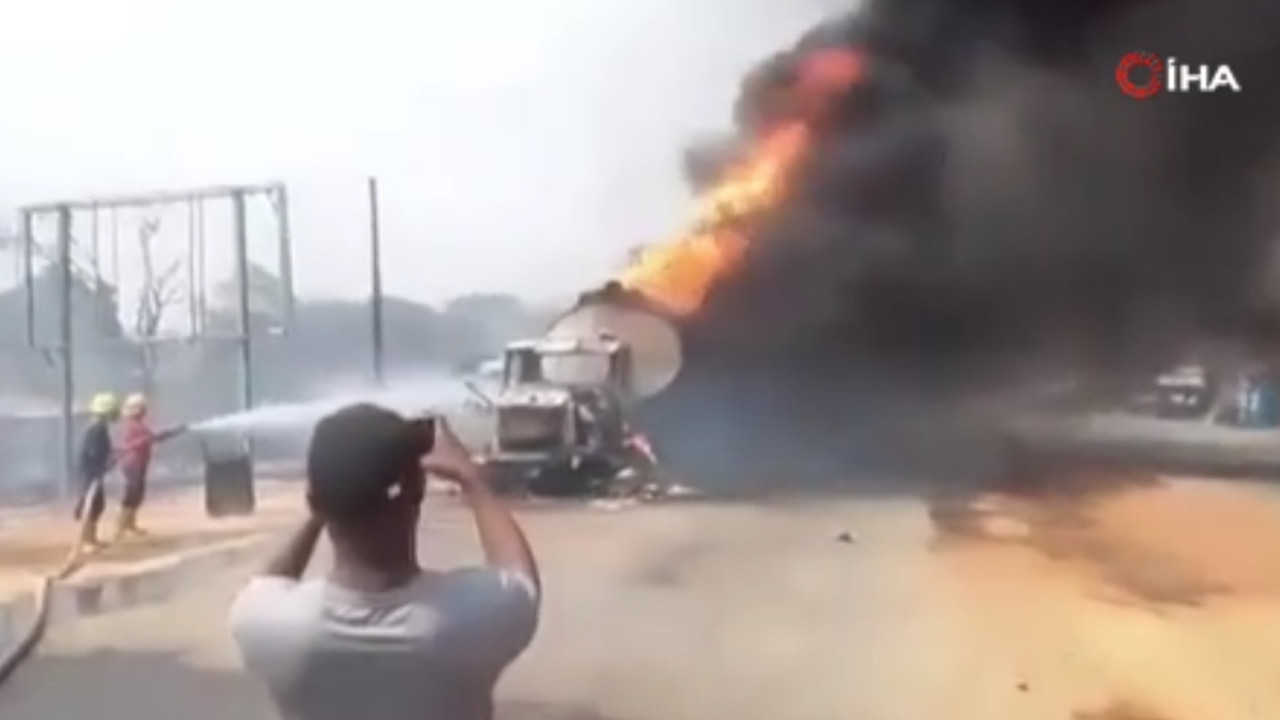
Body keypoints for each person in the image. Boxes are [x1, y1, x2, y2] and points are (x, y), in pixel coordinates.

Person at [228, 404, 541, 720]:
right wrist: (472, 481)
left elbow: (267, 583)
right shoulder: (469, 620)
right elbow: (519, 577)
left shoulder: (268, 624)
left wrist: (324, 505)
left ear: (314, 500)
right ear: (417, 488)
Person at [114, 393, 186, 539]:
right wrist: (151, 438)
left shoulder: (138, 426)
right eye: (142, 408)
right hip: (132, 463)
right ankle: (123, 525)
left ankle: (129, 524)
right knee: (132, 493)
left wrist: (173, 432)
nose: (144, 411)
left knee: (137, 494)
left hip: (139, 463)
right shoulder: (131, 426)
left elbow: (153, 438)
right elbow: (138, 442)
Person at [74, 392, 120, 552]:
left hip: (95, 471)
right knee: (90, 505)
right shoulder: (96, 430)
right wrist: (105, 463)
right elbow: (93, 452)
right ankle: (85, 541)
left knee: (98, 505)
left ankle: (91, 538)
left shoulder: (100, 428)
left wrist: (110, 459)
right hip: (91, 472)